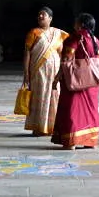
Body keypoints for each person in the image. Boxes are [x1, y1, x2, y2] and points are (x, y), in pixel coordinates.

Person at [51, 13, 99, 150]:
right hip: (91, 81)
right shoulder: (95, 40)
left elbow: (66, 59)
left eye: (76, 22)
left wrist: (57, 77)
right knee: (90, 110)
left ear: (81, 25)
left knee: (72, 109)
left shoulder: (75, 38)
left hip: (75, 80)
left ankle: (71, 141)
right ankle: (89, 141)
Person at [23, 7, 70, 136]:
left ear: (50, 18)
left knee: (54, 97)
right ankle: (38, 127)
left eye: (43, 15)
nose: (40, 17)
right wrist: (26, 73)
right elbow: (27, 53)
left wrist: (63, 71)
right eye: (39, 15)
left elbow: (61, 53)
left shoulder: (58, 34)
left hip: (54, 72)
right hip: (38, 72)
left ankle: (52, 127)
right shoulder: (33, 33)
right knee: (39, 97)